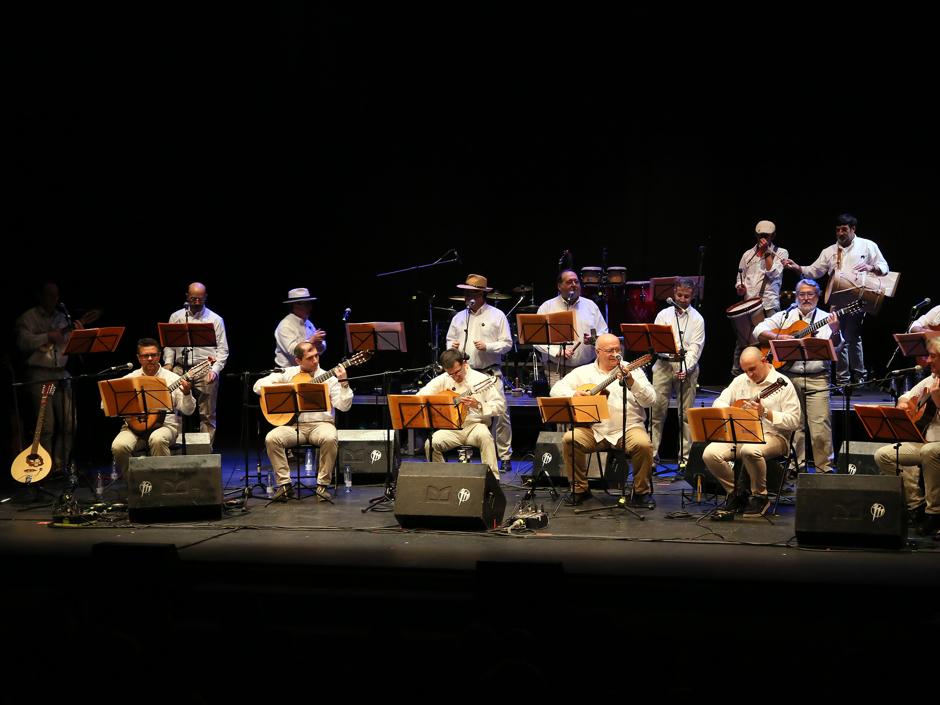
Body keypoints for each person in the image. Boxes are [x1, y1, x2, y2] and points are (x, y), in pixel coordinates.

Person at [550, 333, 657, 507]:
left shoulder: (633, 370)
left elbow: (651, 400)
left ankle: (641, 492)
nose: (615, 354)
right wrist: (574, 394)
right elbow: (555, 390)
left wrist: (632, 382)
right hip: (595, 430)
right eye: (609, 350)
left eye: (617, 349)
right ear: (597, 351)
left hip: (627, 428)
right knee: (570, 439)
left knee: (643, 444)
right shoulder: (582, 372)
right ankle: (580, 489)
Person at [782, 213, 889, 386]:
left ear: (853, 229)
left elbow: (884, 267)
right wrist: (797, 268)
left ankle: (859, 378)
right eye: (838, 230)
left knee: (853, 337)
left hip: (857, 300)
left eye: (844, 230)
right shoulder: (830, 251)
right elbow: (814, 271)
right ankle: (842, 381)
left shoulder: (868, 245)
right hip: (836, 301)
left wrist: (871, 267)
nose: (840, 233)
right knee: (837, 337)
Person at [753, 279, 842, 473]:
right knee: (795, 425)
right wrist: (780, 337)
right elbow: (757, 330)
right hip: (789, 377)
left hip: (817, 377)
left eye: (810, 294)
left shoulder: (827, 318)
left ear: (817, 297)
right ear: (796, 296)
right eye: (802, 294)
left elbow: (836, 346)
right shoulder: (785, 316)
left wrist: (835, 331)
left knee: (820, 426)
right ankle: (796, 466)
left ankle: (824, 468)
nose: (806, 298)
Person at [702, 346, 801, 518]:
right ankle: (737, 493)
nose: (749, 374)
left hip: (774, 436)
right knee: (710, 453)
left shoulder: (782, 383)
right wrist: (734, 410)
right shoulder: (740, 380)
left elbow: (794, 421)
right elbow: (718, 402)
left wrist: (765, 413)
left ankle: (760, 496)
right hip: (742, 434)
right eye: (745, 370)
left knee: (750, 449)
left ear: (764, 361)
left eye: (752, 369)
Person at [253, 341, 352, 501]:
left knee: (330, 437)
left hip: (321, 425)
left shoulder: (330, 378)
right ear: (298, 361)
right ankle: (284, 485)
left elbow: (344, 406)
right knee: (272, 438)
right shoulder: (289, 373)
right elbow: (257, 386)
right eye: (309, 358)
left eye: (316, 356)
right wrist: (290, 387)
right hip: (293, 426)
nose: (315, 361)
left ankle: (322, 486)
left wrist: (344, 383)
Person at [446, 274, 514, 474]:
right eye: (466, 293)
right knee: (464, 413)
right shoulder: (459, 317)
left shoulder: (497, 315)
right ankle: (466, 453)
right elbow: (449, 340)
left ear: (482, 294)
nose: (469, 297)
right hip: (466, 374)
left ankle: (505, 456)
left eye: (473, 293)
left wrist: (489, 346)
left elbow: (508, 344)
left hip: (490, 373)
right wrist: (453, 346)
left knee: (500, 415)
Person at [873, 337, 940, 536]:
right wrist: (903, 403)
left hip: (934, 447)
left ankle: (935, 513)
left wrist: (938, 399)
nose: (928, 360)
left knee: (929, 451)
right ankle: (916, 507)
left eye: (933, 356)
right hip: (927, 443)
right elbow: (907, 394)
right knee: (884, 455)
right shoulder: (932, 379)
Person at [15, 281, 83, 470]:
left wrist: (78, 336)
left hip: (61, 374)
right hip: (41, 375)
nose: (54, 300)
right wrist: (46, 336)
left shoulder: (63, 318)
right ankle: (44, 468)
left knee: (70, 423)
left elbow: (69, 346)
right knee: (46, 427)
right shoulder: (29, 318)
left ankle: (60, 466)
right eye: (49, 295)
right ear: (39, 296)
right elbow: (22, 342)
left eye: (56, 296)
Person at [110, 338, 195, 475]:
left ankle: (164, 484)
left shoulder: (172, 378)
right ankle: (135, 485)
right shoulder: (130, 378)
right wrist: (128, 410)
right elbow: (108, 405)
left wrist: (186, 393)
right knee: (119, 446)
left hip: (166, 426)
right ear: (138, 358)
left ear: (159, 356)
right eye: (145, 356)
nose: (150, 358)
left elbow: (188, 410)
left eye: (153, 355)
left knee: (157, 439)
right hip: (134, 427)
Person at [417, 348, 506, 478]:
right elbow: (420, 397)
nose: (455, 376)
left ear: (464, 363)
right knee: (430, 444)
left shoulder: (481, 379)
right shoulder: (444, 379)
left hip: (475, 426)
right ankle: (442, 479)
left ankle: (492, 481)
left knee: (486, 437)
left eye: (458, 372)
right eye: (451, 374)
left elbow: (500, 406)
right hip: (452, 428)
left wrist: (479, 405)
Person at [162, 282, 229, 445]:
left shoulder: (215, 319)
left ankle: (205, 450)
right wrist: (168, 364)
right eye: (193, 299)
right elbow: (170, 344)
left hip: (205, 367)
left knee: (207, 414)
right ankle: (176, 446)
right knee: (174, 409)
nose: (197, 302)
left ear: (205, 297)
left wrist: (215, 370)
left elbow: (223, 350)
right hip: (180, 367)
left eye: (200, 299)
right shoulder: (176, 317)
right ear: (187, 297)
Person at [649, 277, 705, 465]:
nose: (682, 299)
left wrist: (685, 368)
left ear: (693, 296)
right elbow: (657, 343)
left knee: (686, 416)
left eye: (687, 296)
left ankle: (685, 460)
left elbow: (695, 348)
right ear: (674, 293)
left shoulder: (697, 319)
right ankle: (652, 457)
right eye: (679, 295)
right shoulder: (663, 315)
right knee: (657, 413)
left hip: (686, 367)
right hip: (663, 365)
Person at [731, 220, 789, 377]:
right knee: (743, 342)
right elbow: (740, 278)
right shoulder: (747, 255)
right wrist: (740, 288)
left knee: (770, 342)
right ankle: (737, 376)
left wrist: (767, 253)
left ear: (773, 236)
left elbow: (772, 273)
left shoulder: (781, 253)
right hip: (749, 305)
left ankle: (772, 376)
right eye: (761, 236)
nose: (763, 239)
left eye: (767, 236)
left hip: (769, 304)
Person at [534, 269, 608, 386]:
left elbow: (604, 334)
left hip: (587, 369)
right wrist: (557, 352)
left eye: (576, 282)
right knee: (560, 402)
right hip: (556, 370)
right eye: (569, 282)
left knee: (584, 403)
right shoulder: (547, 307)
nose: (574, 285)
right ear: (559, 286)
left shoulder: (591, 306)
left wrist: (594, 340)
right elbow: (536, 339)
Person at [275, 287, 326, 369]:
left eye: (310, 303)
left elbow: (319, 351)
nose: (310, 307)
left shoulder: (308, 323)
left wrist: (319, 344)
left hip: (306, 369)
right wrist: (311, 341)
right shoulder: (285, 325)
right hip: (287, 372)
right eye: (306, 304)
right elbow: (293, 352)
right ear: (295, 305)